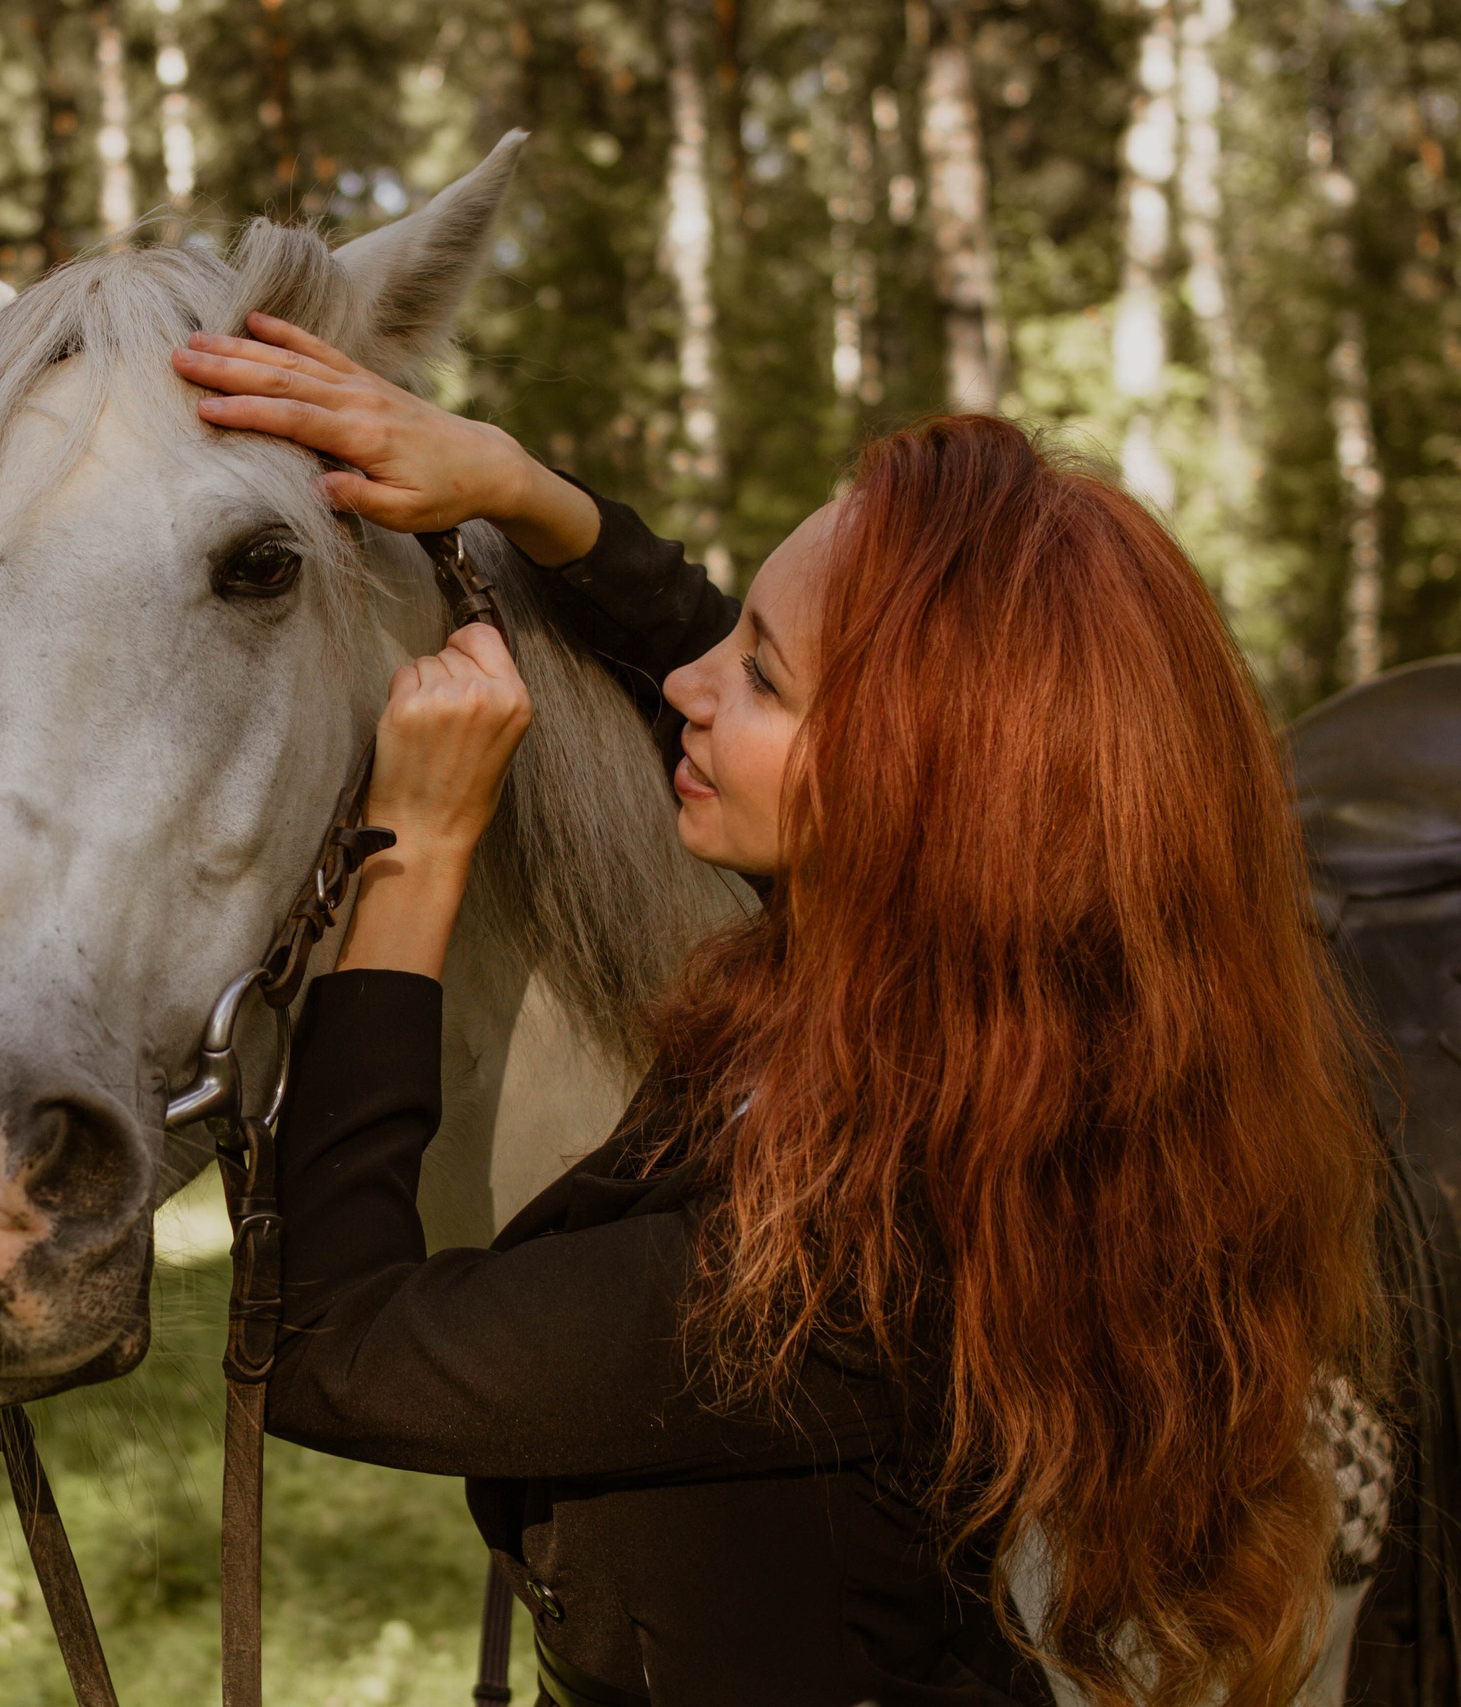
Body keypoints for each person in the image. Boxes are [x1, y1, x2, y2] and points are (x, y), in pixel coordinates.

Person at [169, 316, 1386, 1707]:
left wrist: (418, 852)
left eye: (760, 674)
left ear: (915, 795)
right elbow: (711, 648)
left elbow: (333, 1352)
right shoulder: (951, 1015)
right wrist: (523, 494)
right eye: (736, 637)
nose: (690, 684)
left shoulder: (857, 1261)